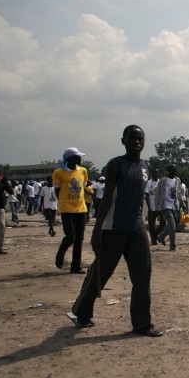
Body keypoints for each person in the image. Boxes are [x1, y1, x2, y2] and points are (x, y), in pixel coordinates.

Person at [67, 124, 162, 337]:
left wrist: (152, 223)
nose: (136, 142)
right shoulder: (115, 164)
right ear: (123, 141)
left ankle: (142, 324)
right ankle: (80, 312)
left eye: (140, 139)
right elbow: (107, 197)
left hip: (136, 226)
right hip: (114, 227)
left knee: (143, 274)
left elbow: (142, 197)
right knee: (102, 271)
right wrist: (96, 229)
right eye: (132, 138)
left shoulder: (145, 167)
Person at [53, 147, 89, 274]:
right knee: (70, 236)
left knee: (79, 238)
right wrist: (63, 202)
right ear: (69, 158)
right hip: (67, 209)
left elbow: (83, 187)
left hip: (80, 208)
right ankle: (60, 255)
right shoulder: (59, 172)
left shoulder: (83, 171)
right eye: (77, 156)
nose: (80, 158)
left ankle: (76, 266)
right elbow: (57, 191)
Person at [155, 164, 182, 251]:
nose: (176, 170)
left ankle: (161, 236)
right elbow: (158, 194)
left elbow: (179, 193)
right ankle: (172, 246)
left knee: (174, 225)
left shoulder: (177, 180)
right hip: (166, 205)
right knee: (172, 224)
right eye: (174, 169)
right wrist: (157, 207)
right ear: (169, 170)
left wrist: (183, 205)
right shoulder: (163, 181)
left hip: (175, 206)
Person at [145, 168, 165, 245]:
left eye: (156, 173)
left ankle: (156, 235)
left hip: (160, 207)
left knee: (163, 222)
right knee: (151, 226)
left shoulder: (160, 183)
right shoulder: (149, 183)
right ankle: (153, 240)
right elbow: (147, 196)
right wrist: (149, 207)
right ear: (151, 174)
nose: (155, 174)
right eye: (154, 173)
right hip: (152, 208)